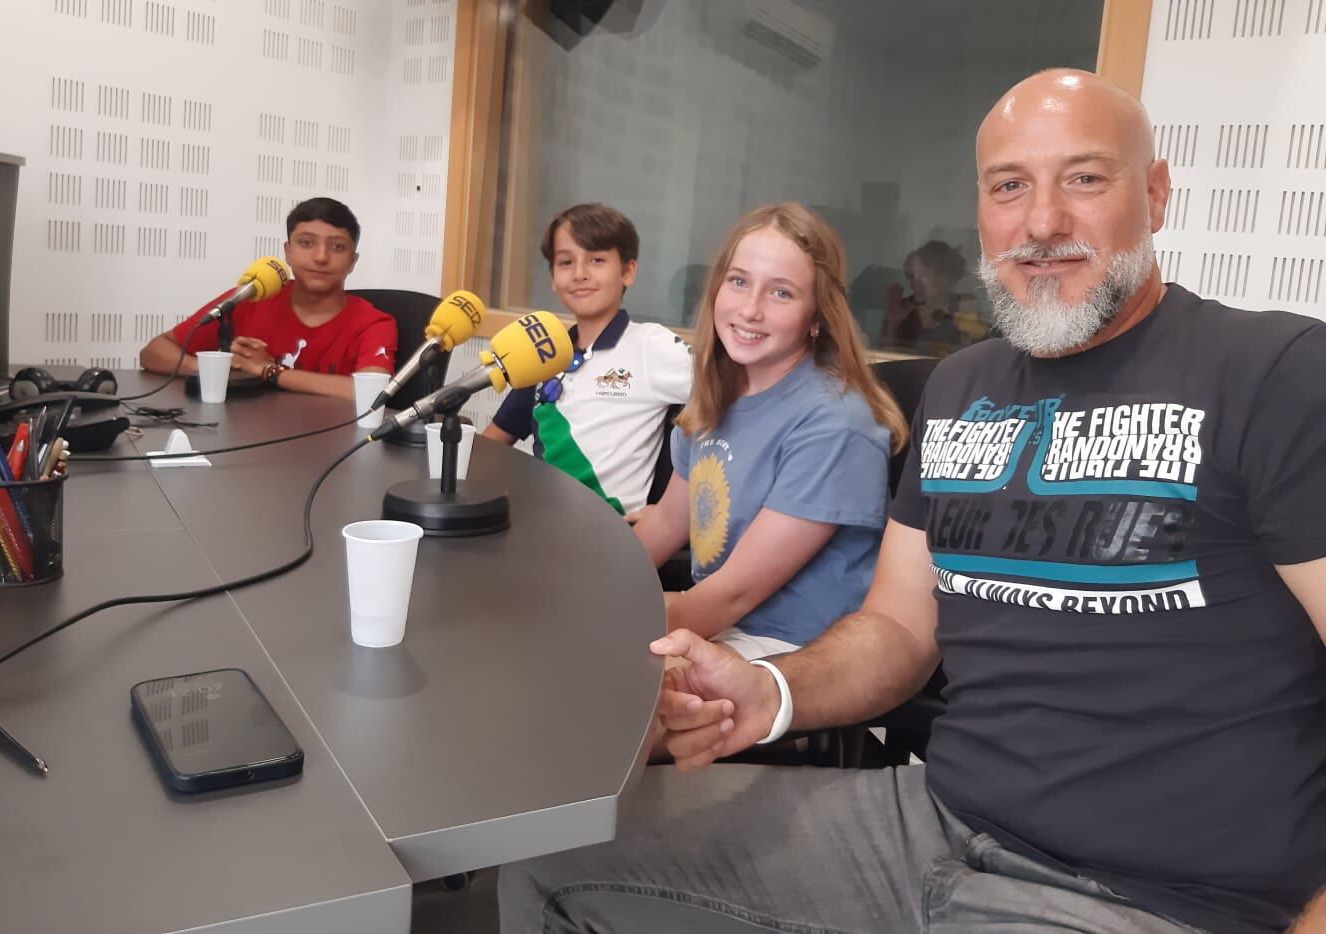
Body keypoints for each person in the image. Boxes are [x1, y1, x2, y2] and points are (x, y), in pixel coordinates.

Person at [499, 70, 1326, 933]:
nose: (1042, 221)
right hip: (931, 822)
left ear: (1154, 195)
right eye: (1010, 186)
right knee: (547, 864)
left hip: (1146, 899)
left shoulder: (1276, 375)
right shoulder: (962, 388)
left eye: (1084, 177)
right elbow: (896, 629)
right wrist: (768, 692)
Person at [632, 203, 907, 659]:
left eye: (781, 293)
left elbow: (735, 594)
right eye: (739, 281)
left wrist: (603, 630)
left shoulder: (835, 423)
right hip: (726, 624)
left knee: (591, 683)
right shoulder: (715, 395)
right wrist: (588, 588)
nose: (750, 309)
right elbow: (665, 523)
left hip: (795, 647)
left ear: (818, 316)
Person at [481, 203, 692, 519]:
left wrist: (668, 513)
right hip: (539, 524)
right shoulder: (544, 353)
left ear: (628, 271)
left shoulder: (651, 346)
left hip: (610, 534)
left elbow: (727, 402)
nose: (579, 274)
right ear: (553, 277)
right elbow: (490, 447)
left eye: (596, 259)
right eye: (565, 262)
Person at [139, 197, 396, 399]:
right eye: (306, 243)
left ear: (352, 261)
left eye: (337, 246)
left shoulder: (374, 323)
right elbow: (153, 352)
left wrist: (268, 370)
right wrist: (221, 368)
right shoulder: (253, 296)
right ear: (288, 252)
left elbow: (374, 393)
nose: (320, 257)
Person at [881, 238, 988, 353]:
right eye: (910, 276)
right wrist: (893, 323)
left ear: (945, 277)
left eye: (923, 274)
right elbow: (884, 358)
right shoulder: (903, 309)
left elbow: (979, 355)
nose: (914, 283)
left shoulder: (964, 305)